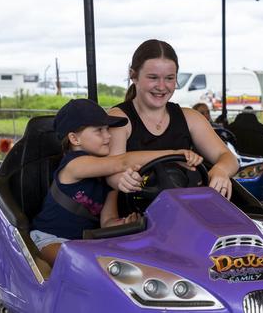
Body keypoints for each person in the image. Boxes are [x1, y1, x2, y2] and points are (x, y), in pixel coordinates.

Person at [30, 98, 203, 266]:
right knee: (81, 264)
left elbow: (107, 222)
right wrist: (174, 153)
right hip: (50, 238)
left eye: (107, 129)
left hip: (84, 243)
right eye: (99, 131)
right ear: (75, 139)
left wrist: (124, 224)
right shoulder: (74, 165)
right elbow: (123, 161)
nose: (108, 136)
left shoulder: (107, 177)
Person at [107, 39, 239, 199]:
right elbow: (110, 170)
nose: (162, 86)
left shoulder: (190, 117)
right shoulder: (119, 118)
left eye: (169, 78)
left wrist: (221, 170)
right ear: (133, 76)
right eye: (153, 77)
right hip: (138, 214)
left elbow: (228, 157)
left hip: (185, 208)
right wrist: (123, 180)